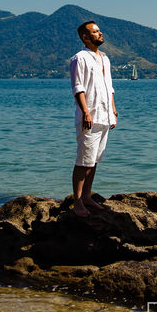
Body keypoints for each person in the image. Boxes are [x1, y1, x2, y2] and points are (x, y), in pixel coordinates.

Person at [69, 21, 117, 217]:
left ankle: (88, 196)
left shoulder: (105, 58)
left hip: (105, 116)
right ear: (85, 37)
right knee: (83, 160)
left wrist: (113, 109)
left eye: (99, 30)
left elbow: (109, 86)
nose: (100, 33)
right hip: (89, 116)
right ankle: (78, 202)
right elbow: (78, 88)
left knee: (94, 160)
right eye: (95, 32)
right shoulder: (79, 58)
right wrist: (86, 112)